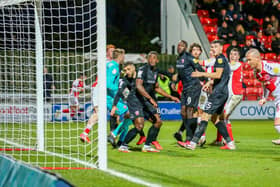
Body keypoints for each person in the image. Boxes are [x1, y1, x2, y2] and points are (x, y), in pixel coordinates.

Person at [118, 51, 179, 152]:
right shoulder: (143, 69)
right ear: (147, 59)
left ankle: (147, 146)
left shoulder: (156, 71)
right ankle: (123, 146)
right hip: (135, 99)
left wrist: (171, 97)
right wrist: (151, 99)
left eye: (154, 58)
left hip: (145, 100)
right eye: (150, 57)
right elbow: (138, 86)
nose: (152, 59)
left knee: (158, 122)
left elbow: (156, 87)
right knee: (139, 125)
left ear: (157, 60)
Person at [189, 40, 236, 150]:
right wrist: (210, 82)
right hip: (222, 92)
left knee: (205, 115)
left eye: (215, 47)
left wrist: (201, 73)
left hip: (218, 93)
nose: (212, 49)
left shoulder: (219, 59)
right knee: (215, 119)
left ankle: (193, 143)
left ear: (221, 48)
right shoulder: (222, 60)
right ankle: (230, 143)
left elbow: (218, 74)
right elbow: (223, 76)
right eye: (211, 47)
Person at [246, 48, 280, 145]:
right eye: (247, 60)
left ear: (257, 58)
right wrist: (264, 97)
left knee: (278, 124)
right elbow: (264, 84)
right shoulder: (256, 73)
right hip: (277, 98)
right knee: (278, 125)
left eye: (249, 60)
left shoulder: (270, 67)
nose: (248, 63)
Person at [175, 40, 206, 147]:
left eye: (182, 46)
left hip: (193, 87)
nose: (179, 47)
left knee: (190, 111)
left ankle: (189, 139)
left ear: (185, 47)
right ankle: (194, 135)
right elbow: (180, 73)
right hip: (185, 88)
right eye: (178, 45)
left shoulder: (189, 57)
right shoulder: (178, 59)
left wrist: (204, 79)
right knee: (183, 112)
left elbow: (199, 68)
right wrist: (174, 82)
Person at [212, 48, 243, 145]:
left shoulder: (237, 64)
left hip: (235, 94)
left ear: (238, 57)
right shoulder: (231, 65)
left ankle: (230, 141)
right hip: (230, 94)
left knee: (224, 117)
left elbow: (225, 68)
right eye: (231, 54)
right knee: (220, 115)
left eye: (235, 54)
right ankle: (218, 140)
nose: (232, 56)